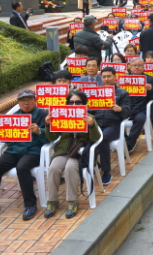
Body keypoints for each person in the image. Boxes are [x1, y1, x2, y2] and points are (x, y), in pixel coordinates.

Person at [0, 89, 48, 221]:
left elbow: (49, 138)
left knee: (22, 168)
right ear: (19, 103)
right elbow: (7, 140)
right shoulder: (14, 116)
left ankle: (30, 204)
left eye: (29, 100)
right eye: (23, 101)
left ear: (35, 101)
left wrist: (39, 131)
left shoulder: (43, 114)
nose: (26, 103)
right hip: (14, 151)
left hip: (33, 151)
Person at [44, 90, 100, 219]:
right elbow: (51, 137)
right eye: (71, 102)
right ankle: (52, 201)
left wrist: (91, 125)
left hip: (80, 153)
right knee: (53, 168)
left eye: (78, 102)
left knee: (70, 168)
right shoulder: (61, 116)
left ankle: (72, 201)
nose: (74, 105)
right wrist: (48, 124)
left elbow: (95, 139)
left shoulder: (90, 117)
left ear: (84, 104)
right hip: (63, 151)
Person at [91, 67, 131, 185]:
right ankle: (92, 164)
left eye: (109, 76)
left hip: (114, 125)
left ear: (115, 77)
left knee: (102, 138)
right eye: (104, 77)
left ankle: (106, 171)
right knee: (84, 136)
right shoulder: (95, 92)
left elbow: (128, 112)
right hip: (96, 124)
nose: (106, 79)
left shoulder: (122, 93)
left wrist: (120, 109)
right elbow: (90, 111)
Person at [125, 59, 153, 151]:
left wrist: (150, 89)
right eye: (134, 65)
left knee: (140, 119)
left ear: (143, 67)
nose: (137, 67)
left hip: (141, 107)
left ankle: (129, 144)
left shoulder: (149, 79)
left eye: (139, 65)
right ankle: (123, 139)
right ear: (130, 68)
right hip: (127, 107)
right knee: (114, 118)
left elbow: (152, 98)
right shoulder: (125, 78)